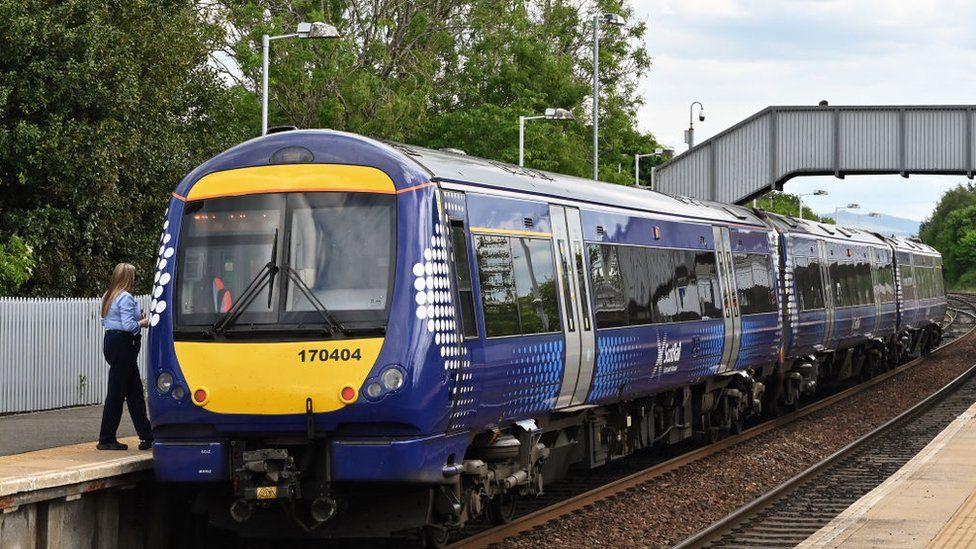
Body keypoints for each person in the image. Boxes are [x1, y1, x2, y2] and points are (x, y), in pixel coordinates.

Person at [97, 263, 154, 451]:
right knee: (117, 393)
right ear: (129, 277)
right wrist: (144, 322)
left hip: (111, 341)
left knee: (134, 391)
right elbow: (129, 326)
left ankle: (147, 435)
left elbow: (109, 321)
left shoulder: (109, 295)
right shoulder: (126, 297)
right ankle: (106, 438)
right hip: (124, 345)